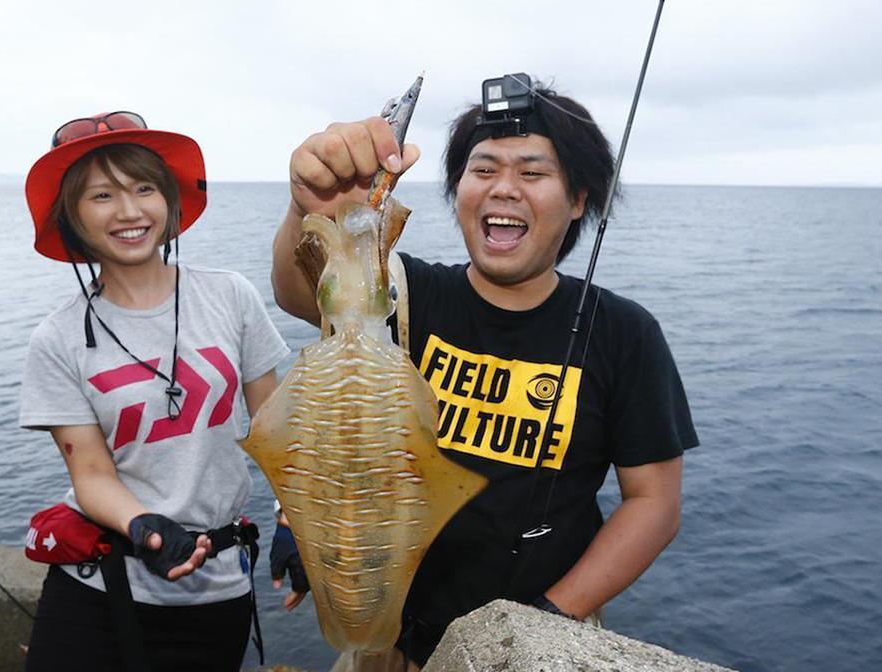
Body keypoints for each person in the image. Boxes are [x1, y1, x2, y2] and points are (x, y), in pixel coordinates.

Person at [271, 77, 698, 668]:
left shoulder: (623, 333)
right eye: (484, 168)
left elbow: (654, 502)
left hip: (540, 640)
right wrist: (307, 209)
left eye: (532, 172)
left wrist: (544, 621)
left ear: (578, 199)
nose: (504, 188)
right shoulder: (408, 293)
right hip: (393, 638)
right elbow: (305, 294)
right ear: (457, 190)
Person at [19, 111, 292, 670]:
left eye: (143, 188)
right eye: (101, 195)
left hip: (215, 594)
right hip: (95, 591)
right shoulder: (58, 338)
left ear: (169, 200)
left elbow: (280, 431)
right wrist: (143, 525)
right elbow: (91, 476)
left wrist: (299, 524)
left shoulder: (230, 297)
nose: (128, 211)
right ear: (72, 217)